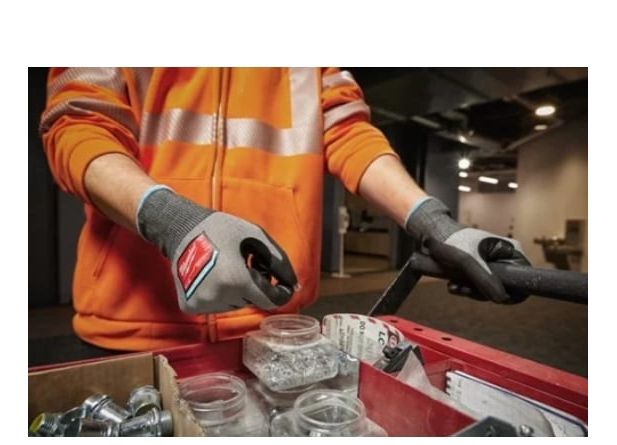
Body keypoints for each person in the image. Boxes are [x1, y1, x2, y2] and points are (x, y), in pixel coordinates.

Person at [40, 67, 528, 351]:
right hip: (128, 332)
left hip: (272, 332)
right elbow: (80, 124)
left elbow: (348, 133)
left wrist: (432, 220)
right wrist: (171, 220)